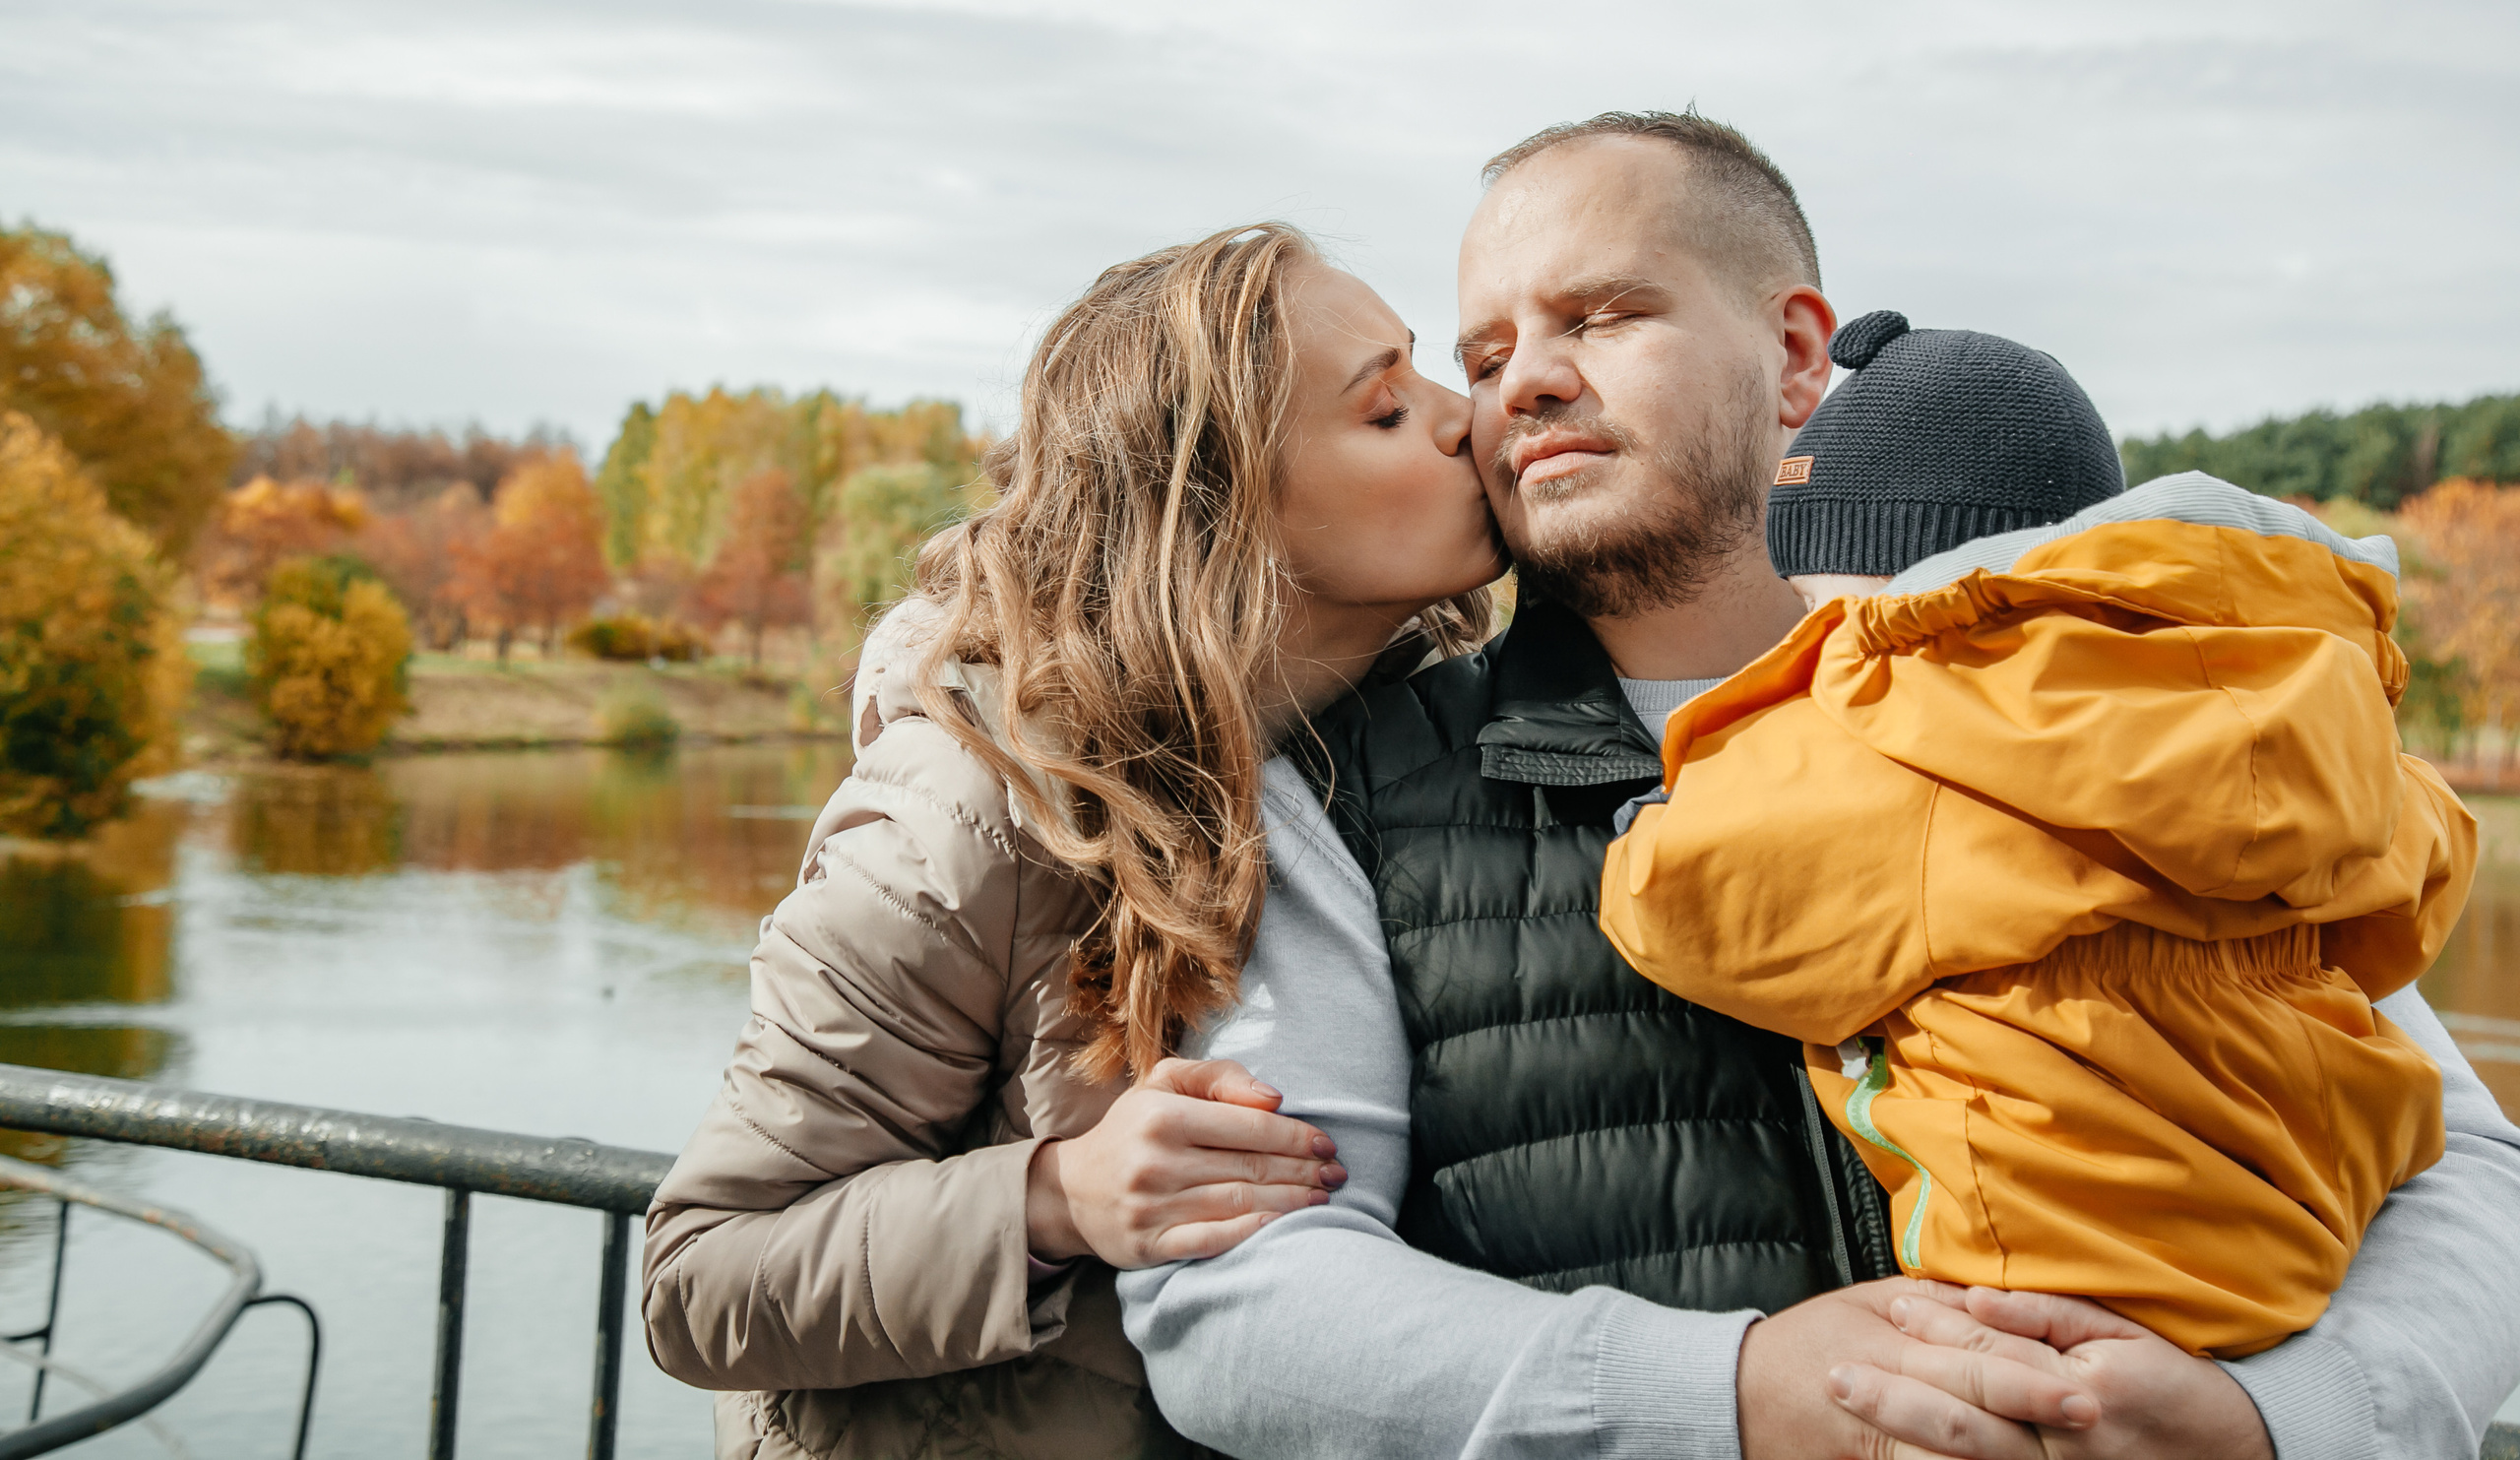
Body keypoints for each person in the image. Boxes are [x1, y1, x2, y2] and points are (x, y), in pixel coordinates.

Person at [1119, 111, 2520, 1458]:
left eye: (1598, 316)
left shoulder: (2119, 702)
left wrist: (2288, 1424)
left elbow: (2469, 1171)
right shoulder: (1344, 790)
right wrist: (1730, 1396)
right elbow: (1237, 1305)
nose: (1521, 383)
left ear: (1796, 353)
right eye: (1483, 354)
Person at [641, 222, 1504, 1458]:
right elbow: (702, 1279)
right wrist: (1059, 1201)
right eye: (1383, 411)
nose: (1462, 413)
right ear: (1218, 515)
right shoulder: (962, 814)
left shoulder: (1406, 763)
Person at [1600, 312, 2476, 1359]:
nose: (1806, 624)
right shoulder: (2323, 712)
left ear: (1890, 580)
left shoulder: (1909, 736)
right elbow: (2420, 890)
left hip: (2051, 1259)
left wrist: (1647, 816)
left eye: (1815, 596)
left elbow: (1682, 901)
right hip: (2307, 1229)